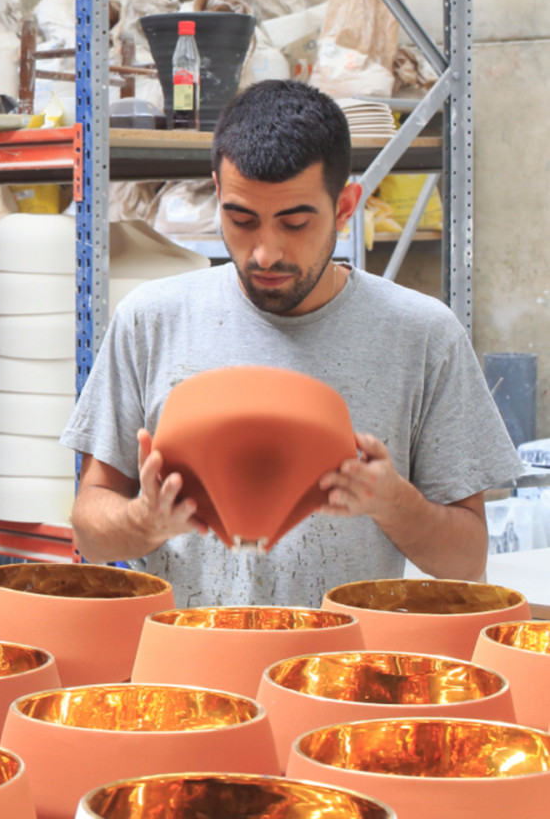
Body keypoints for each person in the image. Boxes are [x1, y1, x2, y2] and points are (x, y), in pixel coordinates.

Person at [60, 80, 521, 607]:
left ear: (346, 206)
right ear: (217, 192)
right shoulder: (151, 319)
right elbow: (89, 530)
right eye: (241, 219)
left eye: (295, 222)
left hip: (338, 675)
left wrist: (393, 503)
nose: (265, 252)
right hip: (184, 672)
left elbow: (469, 562)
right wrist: (142, 520)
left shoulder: (421, 335)